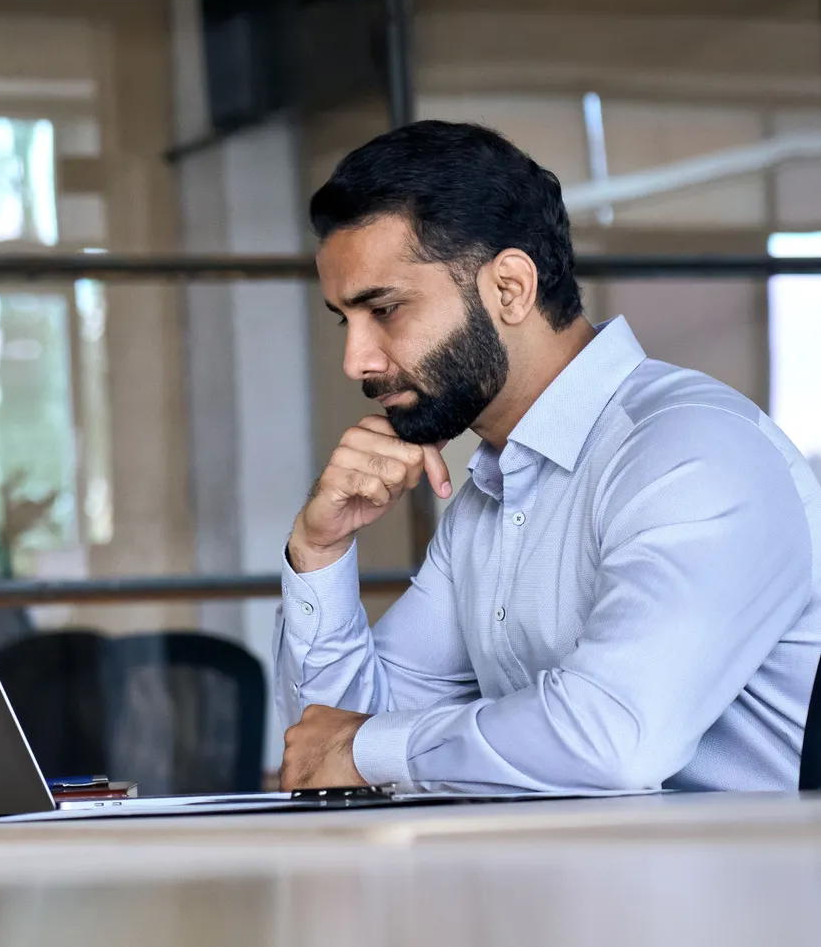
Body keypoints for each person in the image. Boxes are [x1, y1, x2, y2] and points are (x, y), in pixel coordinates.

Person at [276, 121, 821, 793]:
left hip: (754, 897)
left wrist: (364, 748)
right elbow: (334, 744)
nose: (354, 359)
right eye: (345, 320)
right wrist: (320, 549)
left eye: (384, 309)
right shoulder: (491, 495)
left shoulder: (693, 453)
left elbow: (615, 738)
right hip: (575, 890)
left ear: (510, 288)